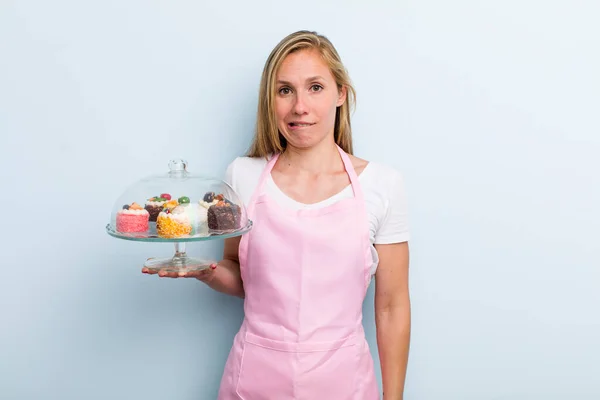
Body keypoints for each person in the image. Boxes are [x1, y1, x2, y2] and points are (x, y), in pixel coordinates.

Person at [143, 30, 411, 399]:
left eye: (315, 87)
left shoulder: (383, 184)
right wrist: (204, 271)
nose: (300, 106)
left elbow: (392, 307)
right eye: (285, 90)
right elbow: (242, 275)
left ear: (341, 94)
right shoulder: (242, 175)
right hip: (252, 380)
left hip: (344, 384)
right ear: (270, 101)